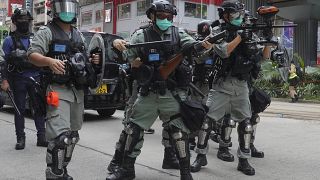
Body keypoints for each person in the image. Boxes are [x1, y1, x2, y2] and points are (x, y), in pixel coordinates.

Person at [108, 1, 213, 179]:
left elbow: (194, 47)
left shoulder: (179, 34)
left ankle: (186, 173)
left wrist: (205, 45)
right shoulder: (141, 35)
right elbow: (128, 56)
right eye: (161, 16)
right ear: (152, 16)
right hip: (148, 92)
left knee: (179, 133)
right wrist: (119, 46)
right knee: (133, 129)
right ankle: (126, 169)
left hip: (172, 93)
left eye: (169, 17)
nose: (165, 19)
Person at [190, 1, 271, 176]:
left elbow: (264, 57)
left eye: (241, 14)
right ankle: (200, 156)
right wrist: (240, 37)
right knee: (207, 122)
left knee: (246, 124)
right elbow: (224, 51)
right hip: (221, 85)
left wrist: (268, 40)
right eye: (235, 14)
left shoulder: (248, 32)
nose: (239, 17)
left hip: (241, 86)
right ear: (225, 15)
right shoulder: (219, 32)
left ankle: (243, 160)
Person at [27, 0, 101, 179]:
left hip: (77, 91)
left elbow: (82, 59)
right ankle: (54, 173)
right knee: (61, 138)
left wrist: (92, 61)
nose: (68, 12)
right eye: (63, 8)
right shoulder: (47, 31)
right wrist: (49, 61)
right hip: (57, 89)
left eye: (71, 8)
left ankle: (62, 169)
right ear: (55, 10)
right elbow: (31, 55)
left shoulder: (78, 34)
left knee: (72, 137)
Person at [0, 8, 48, 150]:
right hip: (18, 78)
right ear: (14, 22)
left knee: (39, 107)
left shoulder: (36, 39)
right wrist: (4, 80)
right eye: (21, 21)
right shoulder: (9, 41)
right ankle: (20, 138)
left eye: (26, 21)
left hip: (36, 77)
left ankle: (41, 137)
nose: (24, 23)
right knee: (19, 109)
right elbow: (3, 63)